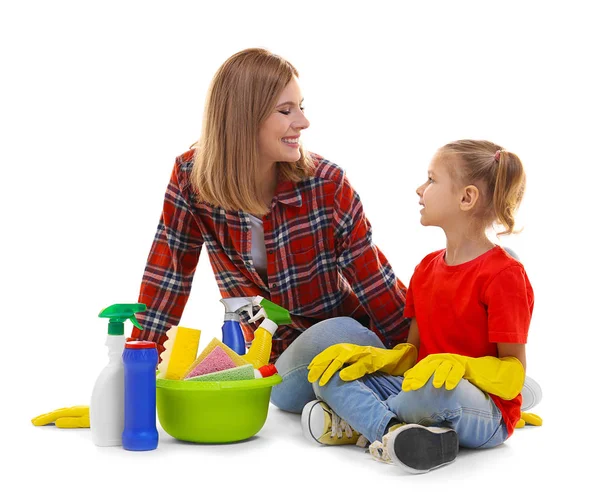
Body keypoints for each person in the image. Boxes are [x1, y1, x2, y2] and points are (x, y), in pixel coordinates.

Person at [130, 47, 412, 412]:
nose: (303, 122)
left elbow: (375, 282)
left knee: (341, 333)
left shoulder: (327, 184)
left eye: (301, 107)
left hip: (348, 337)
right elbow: (167, 280)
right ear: (243, 118)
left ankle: (359, 407)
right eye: (286, 110)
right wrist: (131, 380)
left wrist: (424, 352)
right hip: (275, 362)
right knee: (299, 365)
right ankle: (365, 399)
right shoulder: (190, 178)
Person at [301, 140, 539, 474]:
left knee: (431, 393)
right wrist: (379, 358)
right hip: (419, 387)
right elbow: (413, 353)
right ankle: (394, 433)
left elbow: (513, 373)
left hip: (478, 407)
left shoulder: (504, 275)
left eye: (431, 180)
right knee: (328, 376)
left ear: (466, 198)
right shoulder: (426, 269)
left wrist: (463, 366)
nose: (419, 189)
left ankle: (362, 420)